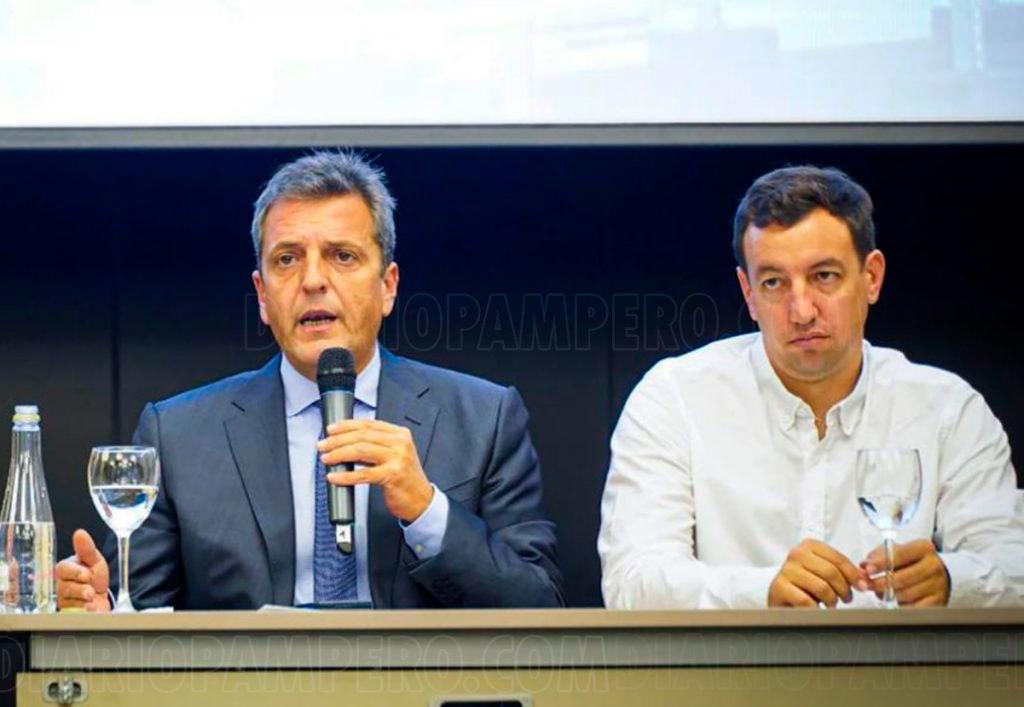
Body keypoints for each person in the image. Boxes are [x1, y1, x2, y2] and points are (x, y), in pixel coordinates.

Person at [56, 151, 564, 610]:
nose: (313, 280)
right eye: (287, 259)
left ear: (388, 287)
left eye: (343, 256)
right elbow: (136, 614)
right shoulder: (177, 435)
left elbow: (538, 605)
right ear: (262, 295)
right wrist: (101, 611)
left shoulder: (485, 419)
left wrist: (426, 510)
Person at [599, 165, 1024, 609]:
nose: (801, 311)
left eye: (824, 276)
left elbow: (1015, 568)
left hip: (902, 658)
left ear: (872, 277)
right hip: (737, 658)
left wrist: (952, 582)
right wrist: (762, 592)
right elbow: (631, 583)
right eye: (774, 283)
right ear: (748, 293)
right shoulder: (675, 399)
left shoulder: (948, 409)